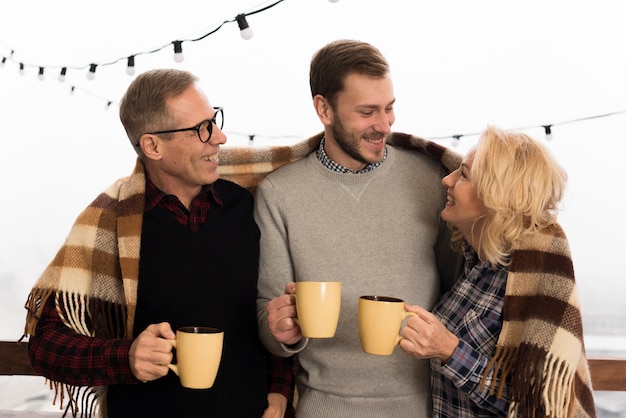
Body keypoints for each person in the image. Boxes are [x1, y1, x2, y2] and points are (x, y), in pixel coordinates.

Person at [23, 68, 294, 418]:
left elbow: (272, 310)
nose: (221, 138)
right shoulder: (110, 223)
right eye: (202, 129)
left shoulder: (248, 206)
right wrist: (127, 357)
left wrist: (279, 390)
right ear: (152, 146)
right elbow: (45, 346)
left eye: (214, 121)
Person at [254, 39, 463, 417]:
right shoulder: (279, 192)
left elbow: (458, 291)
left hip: (426, 407)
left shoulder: (433, 180)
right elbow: (266, 311)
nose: (383, 125)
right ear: (324, 109)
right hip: (321, 407)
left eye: (389, 109)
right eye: (367, 111)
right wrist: (278, 330)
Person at [399, 126, 597, 417]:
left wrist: (450, 350)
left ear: (496, 197)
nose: (447, 179)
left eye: (464, 175)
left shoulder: (529, 282)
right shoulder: (472, 263)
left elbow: (538, 407)